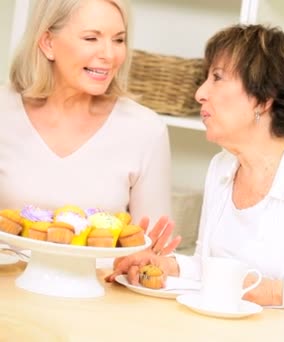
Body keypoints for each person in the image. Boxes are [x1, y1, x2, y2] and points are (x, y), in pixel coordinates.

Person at [107, 24, 284, 313]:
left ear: (264, 99)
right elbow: (209, 266)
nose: (200, 93)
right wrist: (169, 266)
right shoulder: (222, 166)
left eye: (217, 78)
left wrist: (273, 291)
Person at [0, 0, 179, 252]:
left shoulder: (146, 129)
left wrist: (154, 260)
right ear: (48, 43)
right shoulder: (3, 113)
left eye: (118, 40)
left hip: (100, 289)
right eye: (91, 38)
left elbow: (155, 251)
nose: (109, 54)